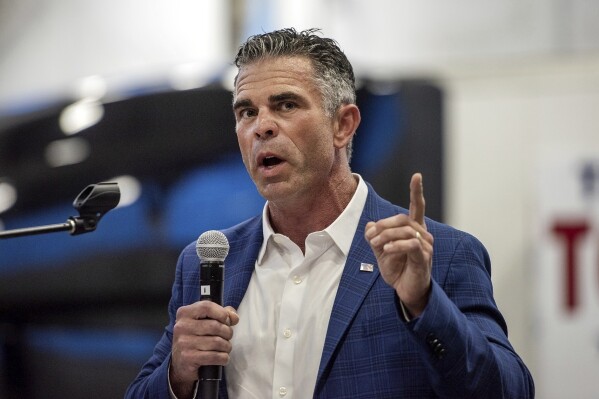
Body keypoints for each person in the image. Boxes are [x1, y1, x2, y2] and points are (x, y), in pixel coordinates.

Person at [126, 28, 535, 399]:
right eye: (246, 112)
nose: (261, 127)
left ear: (343, 125)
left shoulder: (439, 254)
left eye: (285, 105)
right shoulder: (209, 261)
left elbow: (507, 391)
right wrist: (178, 374)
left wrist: (424, 303)